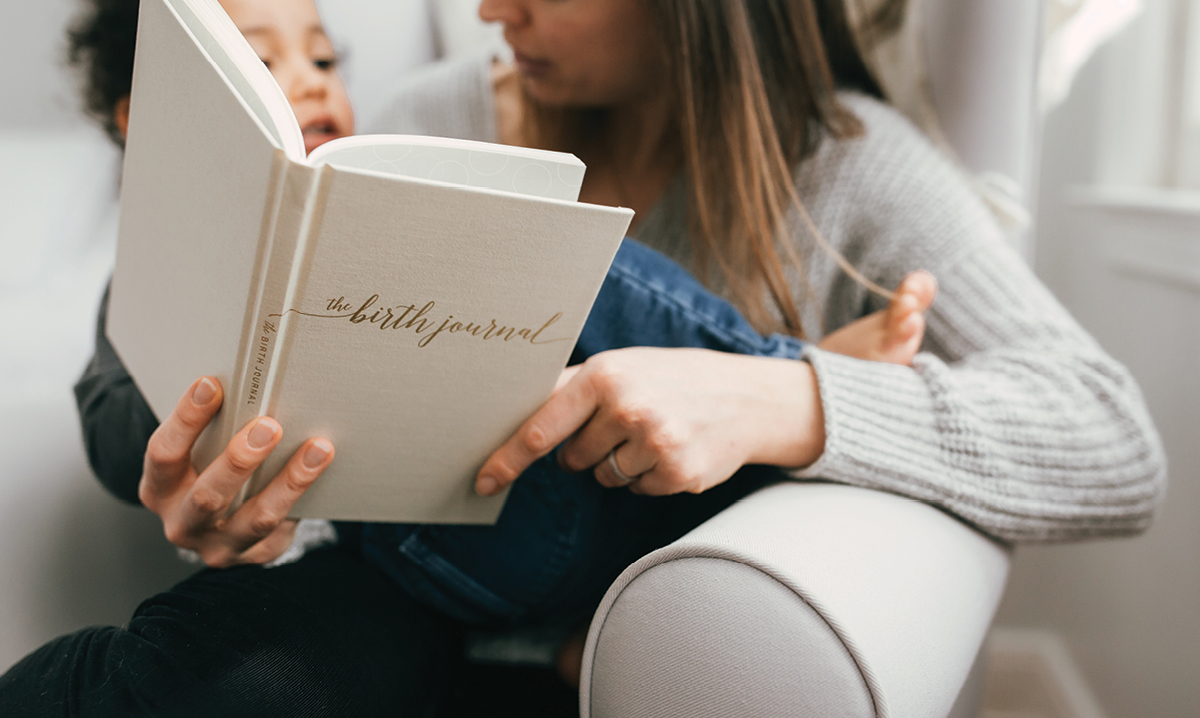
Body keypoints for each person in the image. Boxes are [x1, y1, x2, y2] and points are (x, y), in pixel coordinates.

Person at [0, 1, 1166, 717]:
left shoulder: (853, 176)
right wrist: (249, 499)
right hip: (400, 601)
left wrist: (787, 394)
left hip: (623, 626)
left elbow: (1114, 442)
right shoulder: (433, 112)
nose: (491, 9)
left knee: (560, 277)